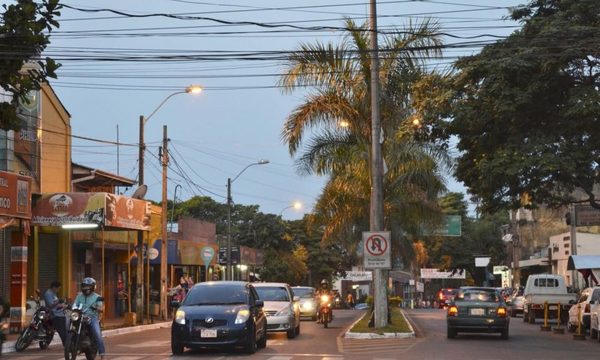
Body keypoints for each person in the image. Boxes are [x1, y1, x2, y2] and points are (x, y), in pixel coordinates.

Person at [74, 278, 106, 360]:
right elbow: (75, 305)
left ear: (93, 287)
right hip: (80, 316)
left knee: (97, 334)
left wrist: (97, 308)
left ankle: (102, 354)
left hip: (92, 317)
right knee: (69, 323)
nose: (86, 288)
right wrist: (73, 308)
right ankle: (72, 344)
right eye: (84, 286)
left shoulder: (97, 297)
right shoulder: (79, 296)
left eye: (88, 286)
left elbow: (101, 308)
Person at [43, 281, 67, 346]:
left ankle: (67, 343)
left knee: (65, 329)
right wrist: (59, 301)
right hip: (55, 315)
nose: (58, 290)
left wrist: (62, 305)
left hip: (60, 313)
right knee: (62, 330)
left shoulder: (53, 294)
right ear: (54, 287)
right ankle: (66, 345)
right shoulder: (48, 294)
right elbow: (50, 305)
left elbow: (56, 304)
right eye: (58, 288)